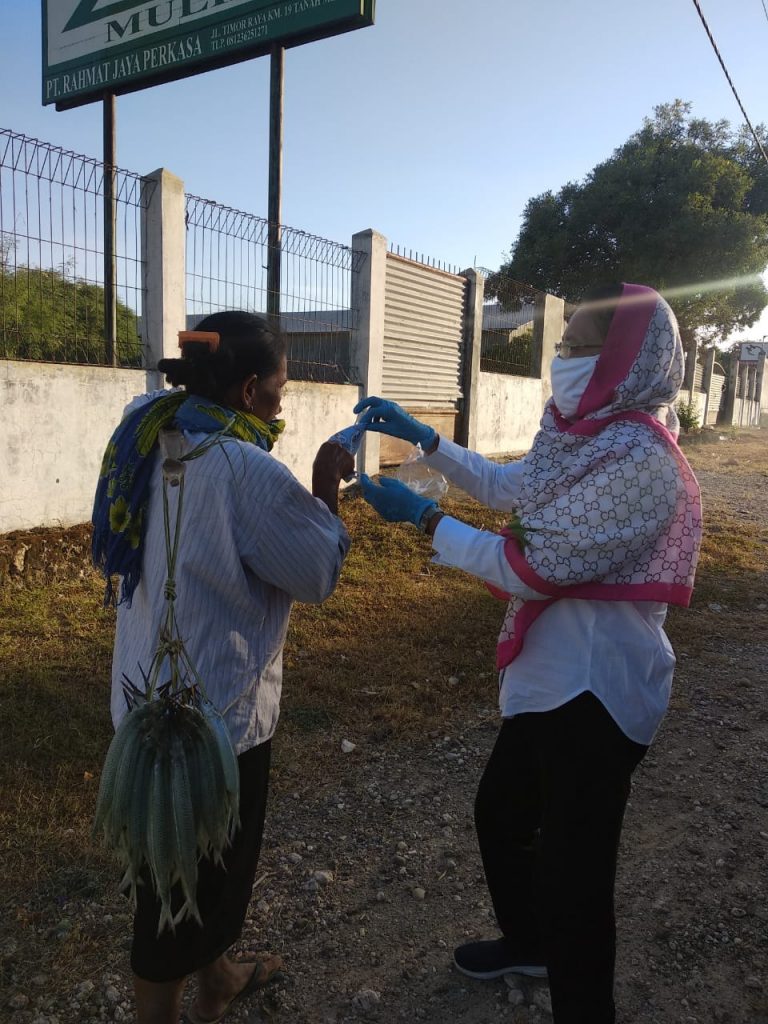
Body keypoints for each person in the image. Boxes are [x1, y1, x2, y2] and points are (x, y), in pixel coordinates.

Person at [354, 283, 702, 1024]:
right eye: (564, 344)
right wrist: (428, 443)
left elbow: (526, 562)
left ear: (621, 360)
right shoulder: (580, 434)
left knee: (576, 875)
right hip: (551, 678)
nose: (560, 359)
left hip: (597, 691)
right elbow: (517, 488)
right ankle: (531, 943)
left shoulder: (641, 458)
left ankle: (583, 1005)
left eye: (576, 347)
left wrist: (426, 522)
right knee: (501, 814)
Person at [92, 311, 353, 1024]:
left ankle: (219, 976)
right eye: (280, 388)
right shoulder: (249, 471)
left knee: (193, 867)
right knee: (186, 884)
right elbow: (316, 571)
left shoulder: (144, 431)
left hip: (143, 701)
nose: (283, 403)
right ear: (246, 390)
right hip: (218, 725)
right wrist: (326, 487)